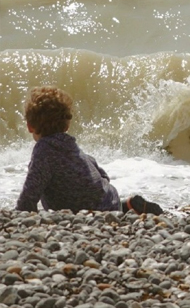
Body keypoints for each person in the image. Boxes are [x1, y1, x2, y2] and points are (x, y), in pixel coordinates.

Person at [16, 86, 163, 215]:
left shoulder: (43, 151)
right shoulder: (71, 145)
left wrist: (20, 216)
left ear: (30, 126)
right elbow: (102, 174)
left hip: (77, 212)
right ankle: (125, 206)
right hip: (108, 200)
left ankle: (122, 207)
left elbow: (29, 195)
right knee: (86, 163)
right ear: (67, 125)